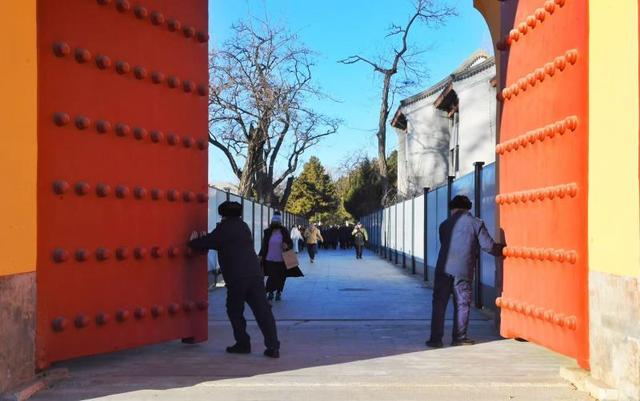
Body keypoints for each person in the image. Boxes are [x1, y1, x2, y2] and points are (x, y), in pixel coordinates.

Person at [188, 201, 280, 358]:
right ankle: (273, 346)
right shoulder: (243, 227)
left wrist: (192, 241)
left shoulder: (224, 228)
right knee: (263, 311)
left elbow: (205, 243)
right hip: (255, 274)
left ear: (222, 214)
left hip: (237, 277)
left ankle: (243, 343)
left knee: (235, 310)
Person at [426, 195, 504, 348]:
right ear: (468, 208)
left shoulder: (444, 225)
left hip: (442, 269)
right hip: (463, 270)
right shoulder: (476, 223)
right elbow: (488, 246)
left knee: (439, 304)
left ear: (452, 209)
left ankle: (435, 339)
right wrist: (503, 250)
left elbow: (445, 244)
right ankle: (459, 338)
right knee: (462, 303)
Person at [259, 213, 304, 301]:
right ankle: (270, 292)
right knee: (272, 276)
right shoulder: (267, 232)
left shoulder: (284, 231)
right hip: (269, 258)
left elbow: (290, 243)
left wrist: (287, 246)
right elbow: (264, 245)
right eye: (274, 221)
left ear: (280, 223)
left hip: (282, 259)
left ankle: (279, 292)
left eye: (277, 221)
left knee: (281, 276)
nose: (275, 223)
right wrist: (260, 255)